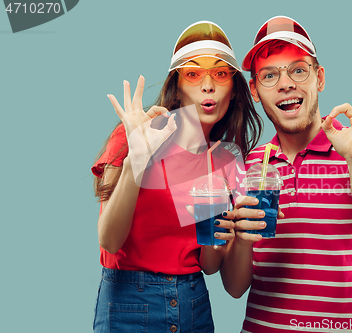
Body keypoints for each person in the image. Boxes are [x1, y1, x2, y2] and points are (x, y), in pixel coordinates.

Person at [221, 16, 352, 332]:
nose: (285, 84)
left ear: (319, 78)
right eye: (269, 76)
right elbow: (234, 288)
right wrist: (243, 238)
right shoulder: (250, 165)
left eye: (298, 70)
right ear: (254, 90)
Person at [91, 21, 263, 333]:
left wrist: (226, 231)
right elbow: (109, 240)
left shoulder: (225, 160)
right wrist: (136, 162)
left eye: (220, 74)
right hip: (130, 303)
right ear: (177, 85)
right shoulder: (137, 134)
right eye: (194, 74)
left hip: (193, 301)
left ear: (234, 90)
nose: (207, 85)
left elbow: (210, 266)